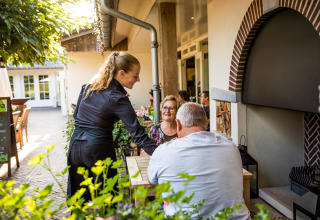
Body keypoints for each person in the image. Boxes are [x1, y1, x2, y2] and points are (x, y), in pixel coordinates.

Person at [67, 52, 157, 201]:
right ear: (121, 73)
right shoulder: (118, 98)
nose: (138, 79)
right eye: (135, 76)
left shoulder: (87, 87)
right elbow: (138, 135)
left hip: (75, 146)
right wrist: (162, 154)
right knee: (107, 199)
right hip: (98, 148)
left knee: (80, 199)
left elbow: (77, 116)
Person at [147, 103, 250, 219]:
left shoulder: (163, 151)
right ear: (206, 124)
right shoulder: (231, 146)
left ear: (178, 125)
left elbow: (152, 181)